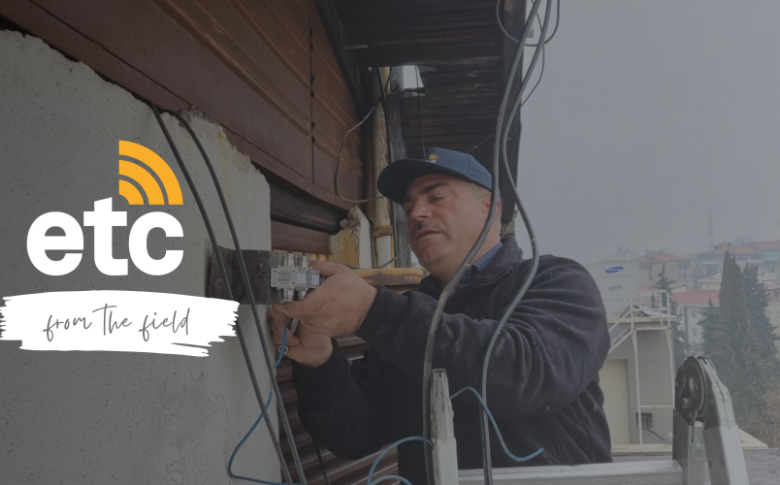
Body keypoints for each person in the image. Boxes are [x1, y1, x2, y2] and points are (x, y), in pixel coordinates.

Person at [270, 147, 612, 484]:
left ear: (490, 208)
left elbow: (524, 374)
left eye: (437, 197)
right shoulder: (408, 314)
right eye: (408, 207)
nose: (416, 213)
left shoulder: (556, 281)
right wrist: (319, 361)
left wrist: (370, 310)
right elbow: (356, 433)